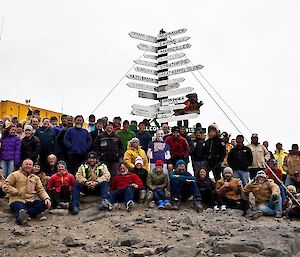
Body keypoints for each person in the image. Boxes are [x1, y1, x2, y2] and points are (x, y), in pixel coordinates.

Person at [2, 159, 51, 225]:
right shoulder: (14, 174)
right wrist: (16, 192)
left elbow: (41, 190)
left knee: (44, 204)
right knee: (19, 207)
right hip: (17, 200)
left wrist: (46, 198)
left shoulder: (35, 178)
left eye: (30, 164)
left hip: (30, 200)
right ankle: (21, 219)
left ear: (32, 166)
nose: (28, 166)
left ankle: (25, 215)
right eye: (26, 164)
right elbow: (5, 186)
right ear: (22, 165)